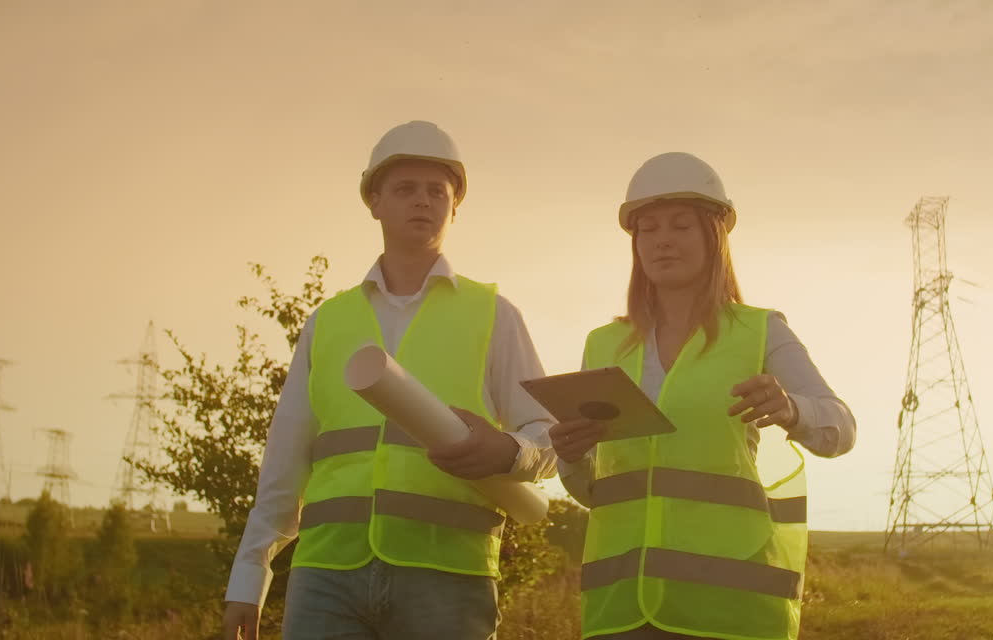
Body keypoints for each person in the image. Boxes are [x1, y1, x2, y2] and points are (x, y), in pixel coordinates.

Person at [223, 121, 557, 640]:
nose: (422, 201)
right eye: (405, 189)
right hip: (327, 574)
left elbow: (546, 435)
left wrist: (510, 453)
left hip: (447, 575)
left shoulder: (494, 314)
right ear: (374, 201)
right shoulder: (328, 322)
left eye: (436, 191)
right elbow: (286, 457)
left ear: (455, 206)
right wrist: (250, 574)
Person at [552, 152, 856, 640]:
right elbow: (596, 491)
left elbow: (840, 430)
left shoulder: (760, 331)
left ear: (714, 236)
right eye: (647, 229)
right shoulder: (603, 345)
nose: (662, 240)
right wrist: (570, 458)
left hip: (730, 606)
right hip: (623, 607)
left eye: (680, 226)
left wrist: (791, 408)